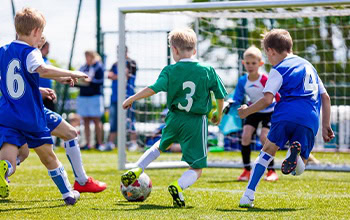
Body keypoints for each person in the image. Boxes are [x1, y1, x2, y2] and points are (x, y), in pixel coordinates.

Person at [120, 28, 227, 208]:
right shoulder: (207, 70)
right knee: (197, 167)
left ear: (174, 50)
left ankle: (138, 168)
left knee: (161, 144)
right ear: (194, 50)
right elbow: (220, 94)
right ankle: (178, 186)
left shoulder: (170, 70)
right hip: (195, 121)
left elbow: (153, 88)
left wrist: (132, 98)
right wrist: (218, 113)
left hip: (174, 117)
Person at [237, 29, 334, 208]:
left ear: (271, 51)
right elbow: (325, 97)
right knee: (299, 169)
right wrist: (326, 124)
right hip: (310, 118)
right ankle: (294, 156)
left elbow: (267, 99)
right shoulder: (309, 66)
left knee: (266, 152)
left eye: (267, 55)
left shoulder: (278, 69)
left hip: (286, 115)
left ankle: (248, 195)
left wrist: (247, 111)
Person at [0, 7, 87, 205]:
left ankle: (4, 167)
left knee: (12, 159)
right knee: (48, 156)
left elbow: (8, 80)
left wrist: (36, 90)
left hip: (6, 115)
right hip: (29, 116)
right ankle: (68, 194)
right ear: (37, 32)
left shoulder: (3, 51)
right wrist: (72, 73)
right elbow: (42, 69)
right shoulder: (31, 52)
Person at [231, 46, 279, 182]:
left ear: (260, 64)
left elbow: (276, 96)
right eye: (248, 63)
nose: (250, 66)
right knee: (245, 136)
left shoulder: (265, 79)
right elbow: (237, 98)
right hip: (253, 110)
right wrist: (231, 104)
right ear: (243, 63)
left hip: (269, 111)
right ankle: (246, 170)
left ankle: (271, 171)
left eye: (254, 63)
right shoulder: (242, 81)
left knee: (264, 137)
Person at [104, 46, 138, 151]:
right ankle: (110, 143)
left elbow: (126, 75)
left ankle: (133, 143)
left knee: (130, 119)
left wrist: (117, 75)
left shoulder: (132, 62)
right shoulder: (115, 64)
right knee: (113, 121)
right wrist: (118, 75)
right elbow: (109, 75)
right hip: (115, 97)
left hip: (128, 96)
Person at [77, 51, 105, 150]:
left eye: (88, 56)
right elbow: (76, 80)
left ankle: (99, 144)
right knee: (85, 121)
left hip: (95, 96)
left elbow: (101, 81)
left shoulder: (99, 67)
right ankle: (88, 144)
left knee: (97, 120)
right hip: (83, 96)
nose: (87, 58)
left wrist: (90, 81)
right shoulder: (83, 67)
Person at [39, 41, 55, 111]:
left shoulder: (47, 60)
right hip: (38, 94)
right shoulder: (36, 60)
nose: (48, 51)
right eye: (47, 48)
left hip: (47, 95)